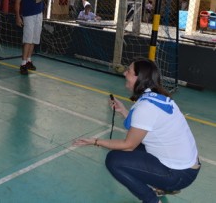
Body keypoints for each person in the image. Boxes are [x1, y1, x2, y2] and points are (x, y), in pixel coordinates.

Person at [73, 58, 200, 203]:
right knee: (135, 149)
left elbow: (129, 144)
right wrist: (123, 111)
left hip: (178, 174)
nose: (124, 73)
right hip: (187, 166)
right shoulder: (156, 96)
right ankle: (162, 186)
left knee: (114, 160)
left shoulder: (146, 107)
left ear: (139, 78)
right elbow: (143, 127)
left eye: (129, 71)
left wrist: (95, 141)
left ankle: (152, 199)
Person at [15, 0, 56, 75]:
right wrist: (18, 16)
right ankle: (23, 64)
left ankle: (28, 60)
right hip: (29, 15)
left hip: (39, 14)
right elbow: (17, 2)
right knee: (27, 40)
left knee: (34, 39)